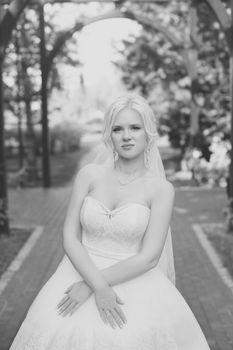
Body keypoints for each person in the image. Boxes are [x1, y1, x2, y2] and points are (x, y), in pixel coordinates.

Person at [10, 94, 210, 350]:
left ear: (148, 133)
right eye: (118, 129)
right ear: (109, 135)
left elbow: (150, 257)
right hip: (75, 271)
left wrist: (94, 286)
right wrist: (96, 285)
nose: (126, 136)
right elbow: (70, 236)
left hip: (134, 279)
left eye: (135, 128)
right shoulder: (89, 175)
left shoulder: (161, 189)